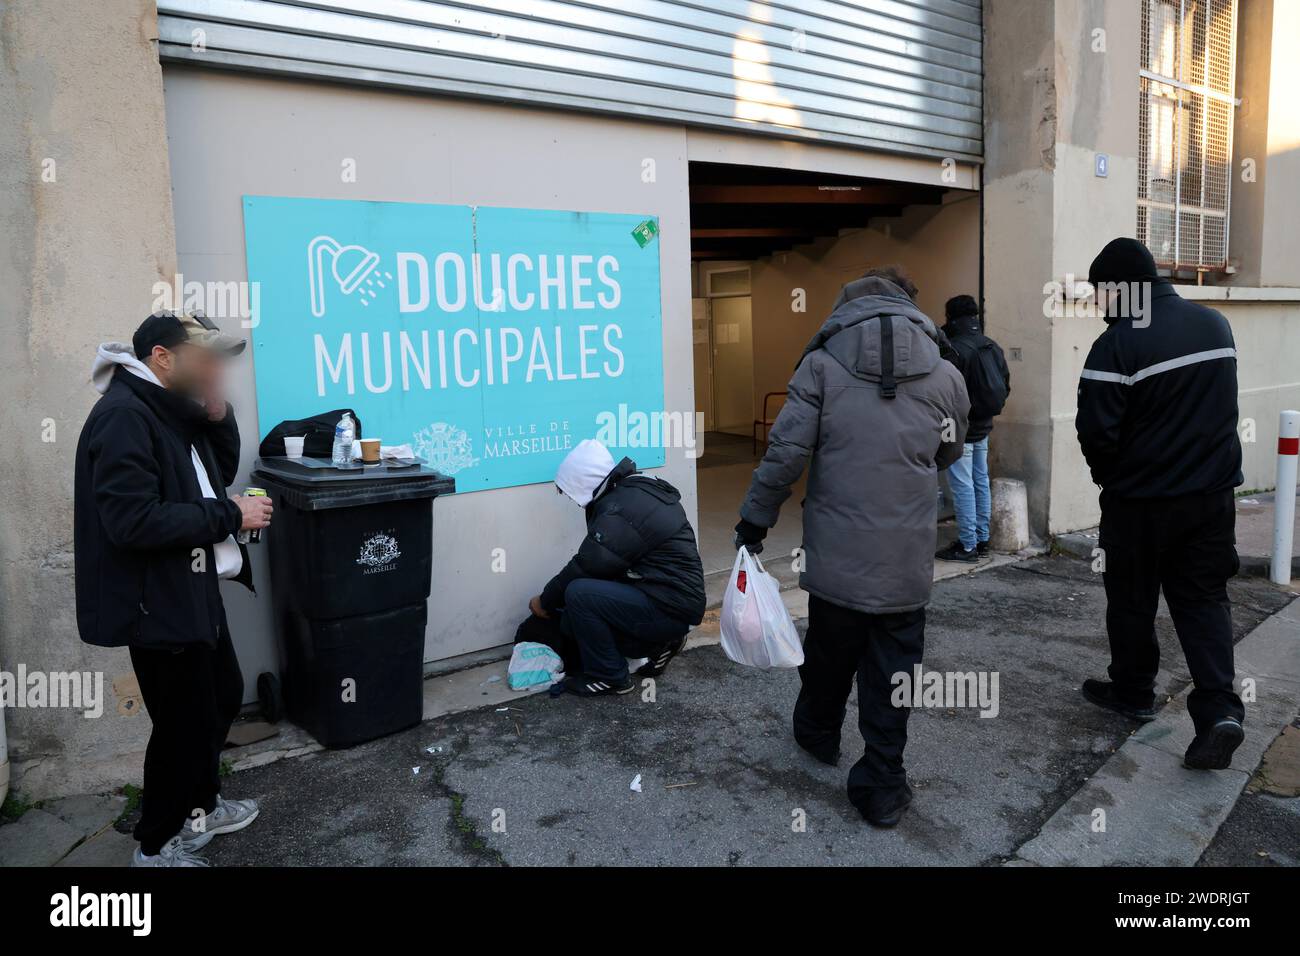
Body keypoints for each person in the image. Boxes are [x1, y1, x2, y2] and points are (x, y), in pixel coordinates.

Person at [734, 267, 969, 827]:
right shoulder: (945, 375)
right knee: (895, 668)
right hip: (906, 559)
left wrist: (754, 520)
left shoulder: (819, 365)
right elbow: (950, 452)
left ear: (846, 308)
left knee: (831, 652)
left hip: (836, 557)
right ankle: (882, 784)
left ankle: (818, 734)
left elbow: (786, 454)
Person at [74, 311, 273, 866]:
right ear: (162, 357)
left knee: (221, 697)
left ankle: (200, 808)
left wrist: (217, 414)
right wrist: (229, 516)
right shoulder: (123, 417)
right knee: (182, 726)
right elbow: (132, 521)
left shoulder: (169, 410)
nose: (214, 367)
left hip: (193, 586)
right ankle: (157, 845)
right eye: (204, 356)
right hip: (155, 599)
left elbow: (216, 472)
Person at [1076, 237, 1245, 770]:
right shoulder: (1214, 325)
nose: (1102, 304)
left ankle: (1133, 692)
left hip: (1141, 505)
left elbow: (1095, 433)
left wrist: (1114, 481)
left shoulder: (1117, 346)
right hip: (1213, 500)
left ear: (1123, 288)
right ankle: (1220, 712)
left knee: (1131, 599)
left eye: (1104, 293)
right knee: (1203, 601)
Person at [528, 439, 706, 697]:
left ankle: (609, 675)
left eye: (570, 492)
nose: (574, 501)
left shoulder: (621, 508)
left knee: (579, 595)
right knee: (575, 614)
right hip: (674, 600)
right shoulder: (635, 491)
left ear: (584, 482)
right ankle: (661, 644)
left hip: (670, 604)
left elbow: (587, 566)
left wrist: (545, 601)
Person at [935, 295, 1011, 562]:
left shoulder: (955, 349)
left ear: (952, 318)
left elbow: (947, 394)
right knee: (980, 481)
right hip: (984, 427)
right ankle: (982, 539)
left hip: (961, 430)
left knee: (963, 485)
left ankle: (967, 546)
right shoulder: (992, 346)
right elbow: (1006, 385)